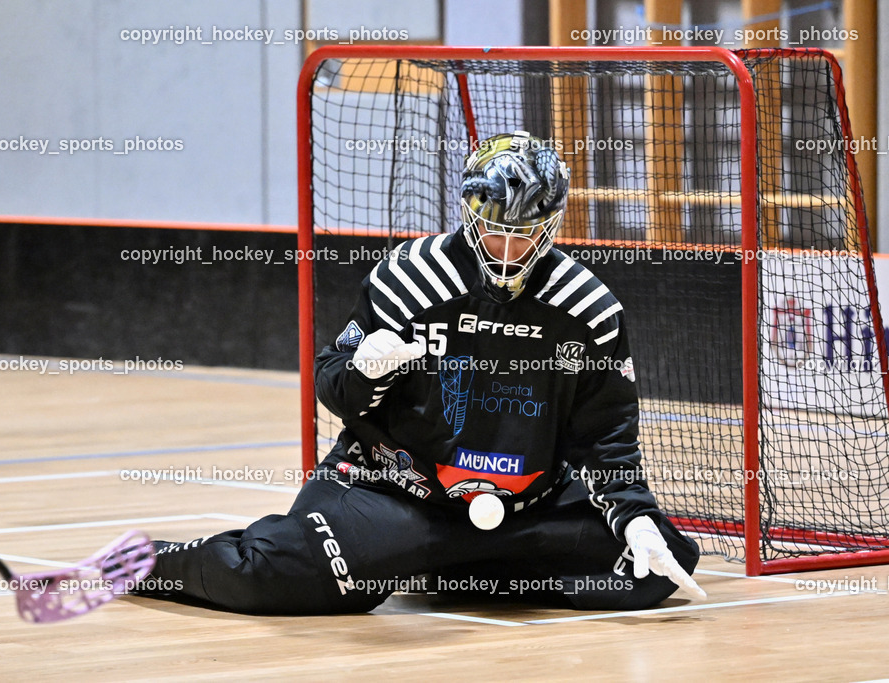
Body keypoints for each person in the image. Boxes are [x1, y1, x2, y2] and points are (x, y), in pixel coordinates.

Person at [141, 130, 704, 614]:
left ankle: (440, 568)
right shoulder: (408, 278)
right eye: (495, 230)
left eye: (526, 233)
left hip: (525, 512)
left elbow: (605, 432)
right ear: (469, 213)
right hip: (392, 496)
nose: (509, 249)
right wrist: (364, 371)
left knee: (664, 563)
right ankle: (140, 562)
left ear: (551, 225)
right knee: (268, 574)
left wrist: (632, 516)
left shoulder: (589, 309)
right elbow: (334, 387)